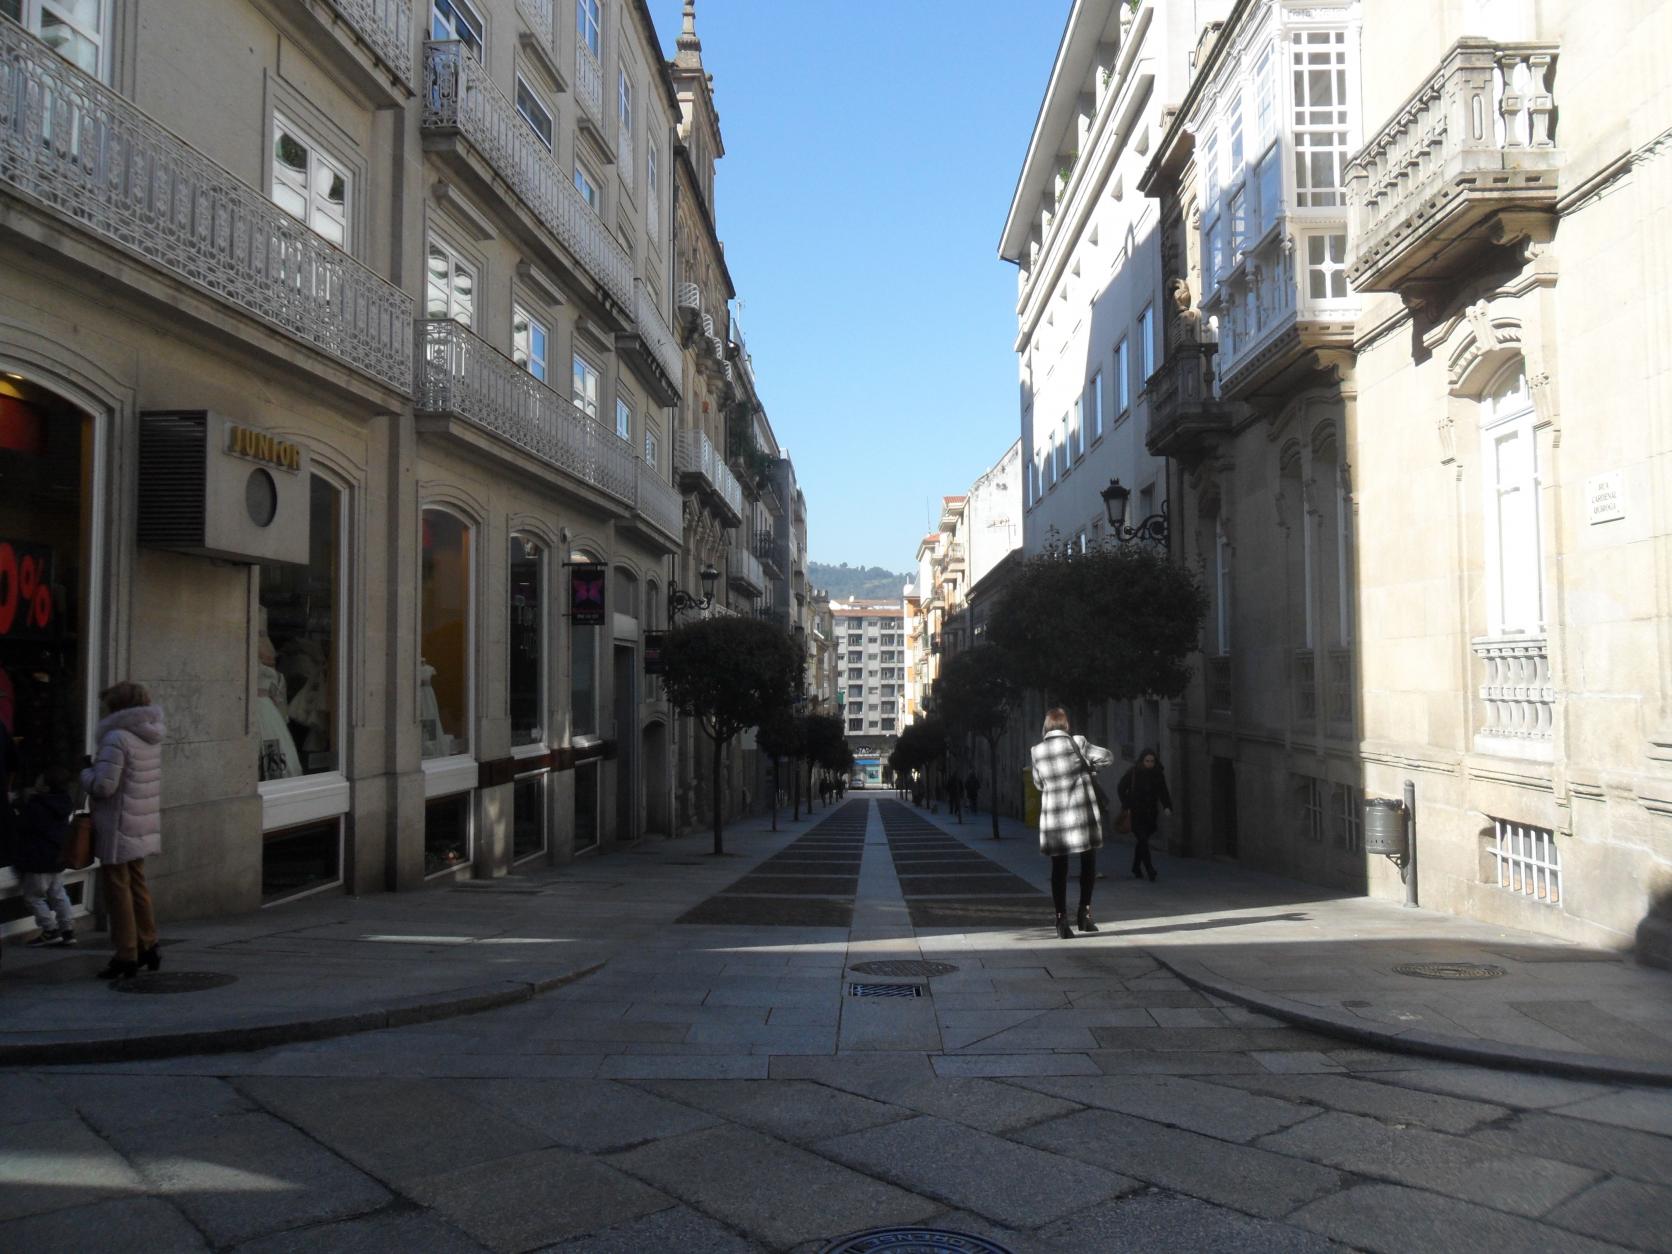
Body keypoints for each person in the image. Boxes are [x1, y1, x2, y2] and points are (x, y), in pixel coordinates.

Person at [81, 681, 166, 981]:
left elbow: (105, 785)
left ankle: (126, 953)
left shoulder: (117, 737)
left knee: (118, 889)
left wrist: (85, 773)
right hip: (140, 821)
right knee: (138, 883)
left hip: (117, 824)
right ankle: (149, 943)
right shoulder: (149, 735)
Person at [1030, 708, 1113, 938]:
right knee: (1088, 862)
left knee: (1059, 869)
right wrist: (1089, 768)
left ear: (1046, 726)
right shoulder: (1078, 743)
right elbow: (1107, 757)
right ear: (1066, 725)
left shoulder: (1037, 751)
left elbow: (1038, 783)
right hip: (1080, 814)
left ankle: (1061, 920)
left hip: (1055, 818)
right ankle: (1084, 915)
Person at [17, 766, 77, 947]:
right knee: (58, 893)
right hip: (56, 856)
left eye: (40, 779)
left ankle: (49, 929)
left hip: (38, 858)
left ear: (46, 786)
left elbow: (24, 826)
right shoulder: (64, 803)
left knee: (33, 897)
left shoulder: (37, 806)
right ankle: (67, 929)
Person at [1118, 748, 1173, 882]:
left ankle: (1136, 867)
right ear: (1142, 761)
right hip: (1136, 812)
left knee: (1142, 841)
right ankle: (1150, 869)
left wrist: (1167, 806)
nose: (1150, 763)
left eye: (1152, 761)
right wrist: (1127, 804)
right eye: (1147, 761)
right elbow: (1121, 788)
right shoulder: (1134, 772)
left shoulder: (1158, 774)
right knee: (1143, 840)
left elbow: (1163, 791)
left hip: (1151, 813)